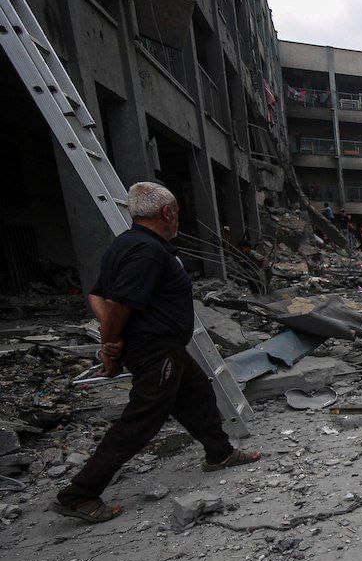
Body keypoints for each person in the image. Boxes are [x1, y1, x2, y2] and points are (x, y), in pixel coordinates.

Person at [52, 183, 260, 524]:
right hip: (154, 348)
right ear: (168, 212)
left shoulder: (126, 245)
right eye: (176, 212)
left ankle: (219, 453)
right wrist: (110, 343)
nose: (177, 218)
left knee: (197, 393)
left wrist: (112, 337)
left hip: (164, 347)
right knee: (142, 420)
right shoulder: (147, 251)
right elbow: (116, 303)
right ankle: (79, 493)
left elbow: (97, 295)